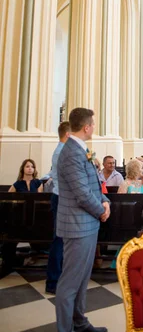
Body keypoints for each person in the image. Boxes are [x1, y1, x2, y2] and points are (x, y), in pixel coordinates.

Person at [55, 108, 110, 332]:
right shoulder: (70, 153)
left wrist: (105, 200)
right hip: (77, 226)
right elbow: (81, 192)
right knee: (69, 283)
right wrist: (101, 210)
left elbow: (93, 182)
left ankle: (80, 323)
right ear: (86, 127)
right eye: (94, 124)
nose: (94, 127)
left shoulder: (80, 150)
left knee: (82, 278)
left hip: (88, 224)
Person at [45, 121, 71, 295]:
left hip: (61, 198)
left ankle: (58, 278)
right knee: (59, 240)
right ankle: (53, 281)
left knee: (61, 240)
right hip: (62, 199)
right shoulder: (63, 152)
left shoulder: (62, 150)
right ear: (68, 135)